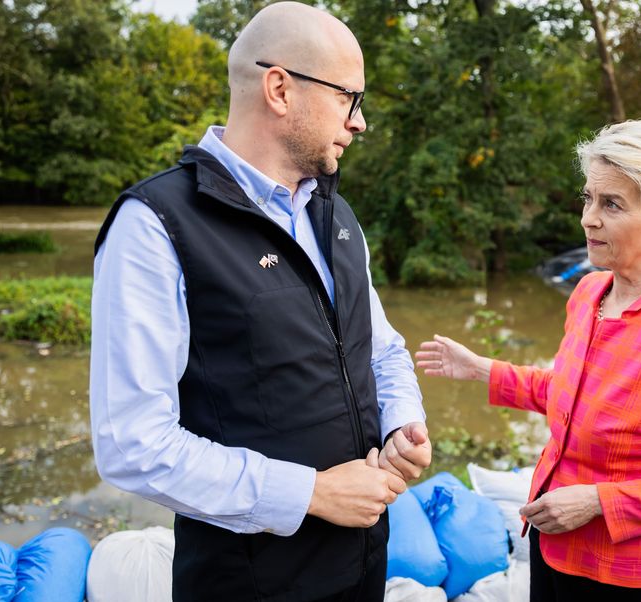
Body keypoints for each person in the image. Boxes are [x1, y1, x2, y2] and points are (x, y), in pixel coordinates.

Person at [89, 3, 430, 600]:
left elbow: (382, 347)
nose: (360, 123)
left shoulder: (336, 214)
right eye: (351, 97)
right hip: (249, 582)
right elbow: (132, 444)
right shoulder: (155, 225)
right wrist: (312, 494)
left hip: (361, 565)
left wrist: (403, 418)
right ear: (280, 88)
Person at [416, 120, 641, 601]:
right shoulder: (591, 292)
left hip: (624, 576)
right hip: (553, 548)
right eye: (588, 199)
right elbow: (571, 396)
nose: (588, 218)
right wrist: (482, 368)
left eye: (611, 204)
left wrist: (597, 502)